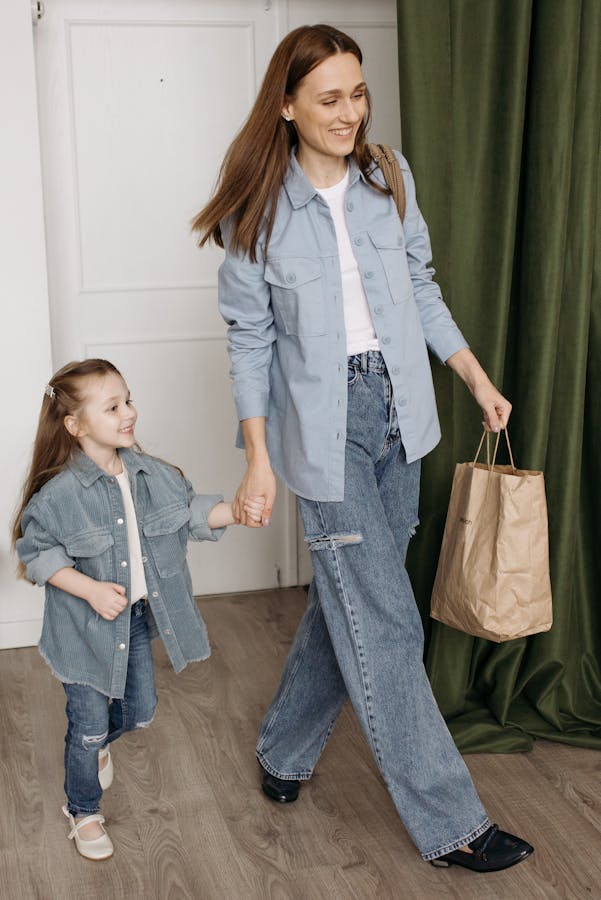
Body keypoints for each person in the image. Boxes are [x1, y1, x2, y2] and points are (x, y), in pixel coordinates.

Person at [192, 24, 533, 871]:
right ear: (286, 105)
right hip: (321, 430)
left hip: (401, 414)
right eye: (329, 98)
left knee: (346, 597)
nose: (350, 113)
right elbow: (249, 344)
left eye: (358, 93)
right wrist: (258, 459)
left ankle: (281, 749)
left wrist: (473, 378)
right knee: (381, 618)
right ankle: (452, 822)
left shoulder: (390, 177)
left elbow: (420, 289)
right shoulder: (254, 214)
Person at [12, 358, 263, 860]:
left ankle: (101, 741)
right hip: (84, 630)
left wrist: (234, 512)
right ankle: (83, 811)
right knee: (85, 726)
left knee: (141, 709)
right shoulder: (60, 495)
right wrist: (89, 589)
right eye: (113, 406)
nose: (129, 412)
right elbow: (37, 554)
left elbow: (190, 512)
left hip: (136, 619)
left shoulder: (152, 475)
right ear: (76, 425)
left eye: (128, 400)